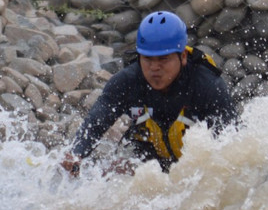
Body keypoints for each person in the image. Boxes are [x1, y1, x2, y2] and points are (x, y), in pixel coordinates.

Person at [60, 10, 239, 176]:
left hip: (191, 160)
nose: (154, 68)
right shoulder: (127, 81)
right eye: (147, 58)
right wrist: (76, 153)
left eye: (163, 59)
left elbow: (231, 146)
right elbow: (97, 120)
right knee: (116, 171)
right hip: (146, 152)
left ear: (183, 56)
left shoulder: (207, 85)